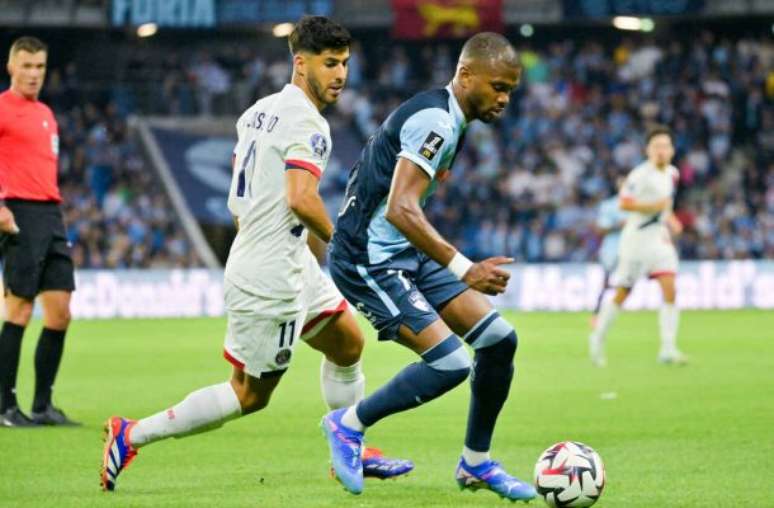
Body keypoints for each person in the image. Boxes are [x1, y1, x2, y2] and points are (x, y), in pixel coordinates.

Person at [101, 16, 411, 492]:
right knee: (249, 394)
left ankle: (350, 442)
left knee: (348, 342)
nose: (340, 75)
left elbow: (250, 202)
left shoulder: (258, 112)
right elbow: (301, 198)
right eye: (330, 63)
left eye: (345, 63)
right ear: (299, 62)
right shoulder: (310, 123)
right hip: (269, 273)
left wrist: (297, 250)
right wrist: (348, 245)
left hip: (284, 258)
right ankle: (132, 434)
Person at [321, 32, 536, 501]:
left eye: (510, 91)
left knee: (499, 342)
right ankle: (347, 423)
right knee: (451, 364)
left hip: (401, 252)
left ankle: (475, 464)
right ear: (465, 76)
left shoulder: (448, 116)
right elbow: (400, 207)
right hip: (368, 259)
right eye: (497, 87)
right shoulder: (436, 120)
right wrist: (463, 267)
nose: (504, 99)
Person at [0, 36, 79, 427]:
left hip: (51, 213)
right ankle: (5, 407)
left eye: (40, 67)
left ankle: (43, 405)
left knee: (61, 311)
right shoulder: (1, 109)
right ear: (11, 67)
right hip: (18, 212)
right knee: (19, 308)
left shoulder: (47, 113)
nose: (34, 74)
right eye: (27, 66)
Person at [589, 126, 685, 366]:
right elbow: (624, 202)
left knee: (670, 289)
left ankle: (668, 349)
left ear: (672, 150)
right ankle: (598, 337)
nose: (661, 151)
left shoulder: (672, 173)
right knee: (623, 292)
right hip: (636, 240)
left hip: (659, 238)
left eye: (665, 146)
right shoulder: (639, 174)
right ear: (648, 150)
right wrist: (652, 207)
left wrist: (671, 220)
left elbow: (666, 204)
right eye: (657, 147)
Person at [590, 177, 627, 331]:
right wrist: (619, 225)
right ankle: (597, 315)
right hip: (612, 250)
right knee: (607, 283)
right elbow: (600, 230)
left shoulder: (641, 205)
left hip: (635, 250)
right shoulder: (610, 205)